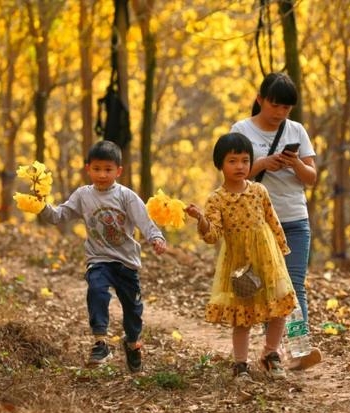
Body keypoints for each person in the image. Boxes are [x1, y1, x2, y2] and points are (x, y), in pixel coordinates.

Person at [37, 140, 167, 372]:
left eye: (108, 169)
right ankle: (100, 342)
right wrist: (40, 205)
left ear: (118, 171)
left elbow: (144, 220)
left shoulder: (126, 196)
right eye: (97, 169)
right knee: (96, 290)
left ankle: (132, 342)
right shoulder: (83, 195)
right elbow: (59, 215)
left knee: (133, 310)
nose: (102, 174)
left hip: (126, 262)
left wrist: (156, 238)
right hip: (98, 259)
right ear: (88, 169)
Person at [185, 132, 297, 380]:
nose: (240, 166)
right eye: (232, 161)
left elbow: (272, 220)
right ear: (220, 165)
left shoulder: (259, 191)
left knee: (279, 309)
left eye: (245, 160)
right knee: (242, 317)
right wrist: (201, 218)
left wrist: (281, 249)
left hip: (267, 259)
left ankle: (270, 354)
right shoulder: (217, 198)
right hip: (238, 263)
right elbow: (213, 235)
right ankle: (240, 364)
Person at [231, 72, 320, 369]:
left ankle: (299, 348)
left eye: (286, 108)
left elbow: (311, 178)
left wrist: (295, 163)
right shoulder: (241, 130)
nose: (280, 113)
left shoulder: (297, 131)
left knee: (293, 285)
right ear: (260, 100)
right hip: (256, 223)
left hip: (294, 218)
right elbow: (232, 173)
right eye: (275, 106)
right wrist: (263, 164)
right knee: (260, 286)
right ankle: (270, 350)